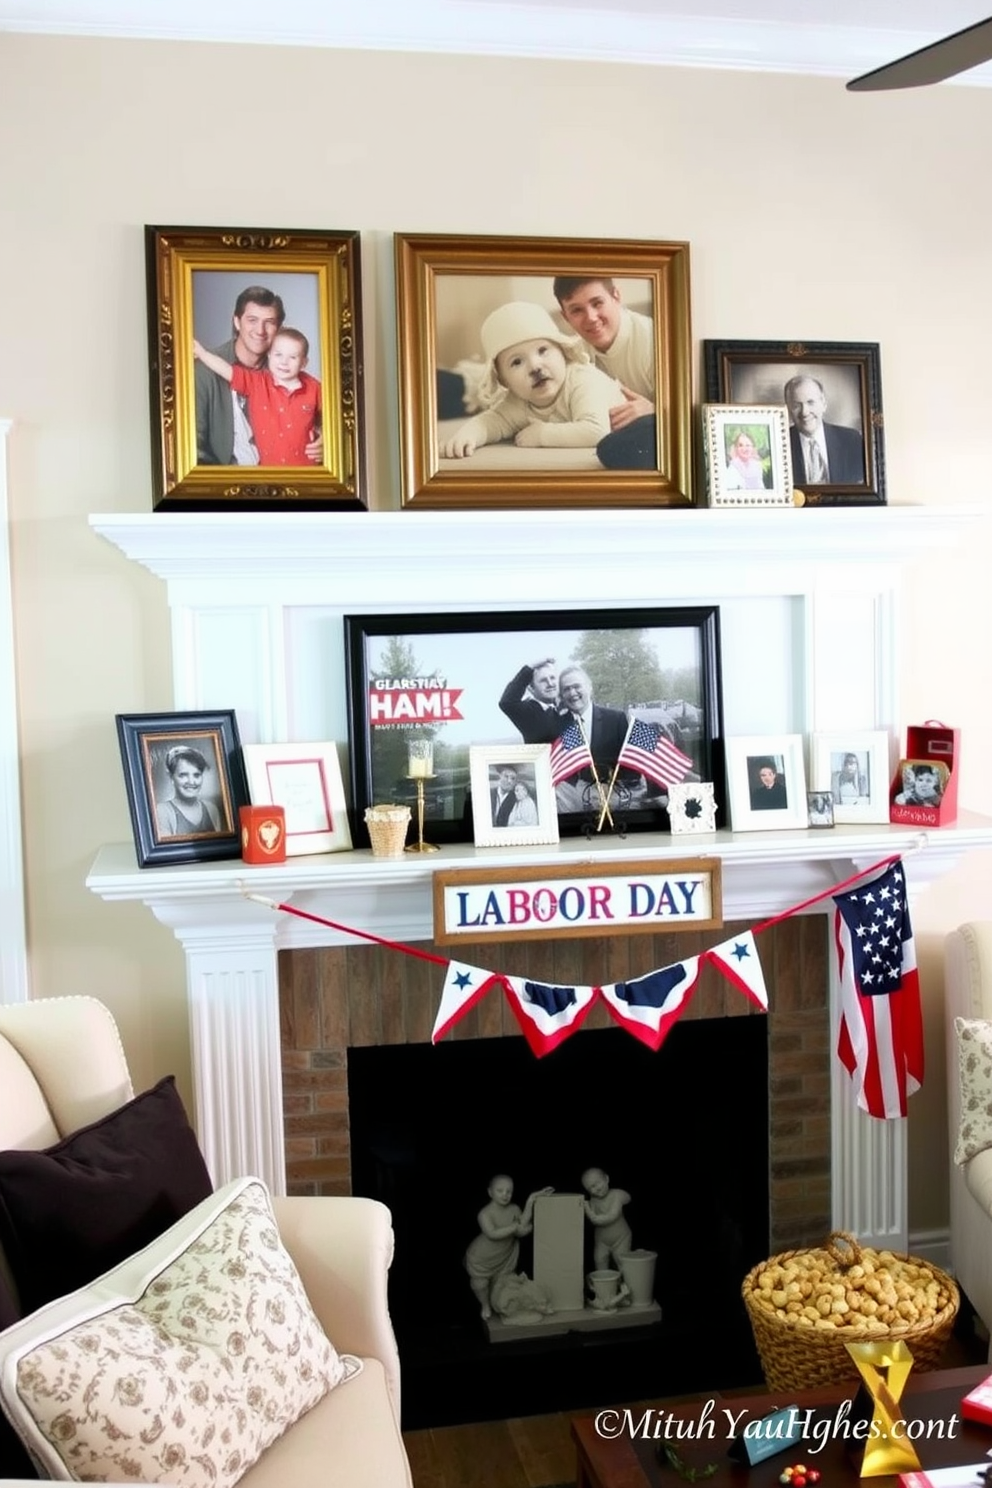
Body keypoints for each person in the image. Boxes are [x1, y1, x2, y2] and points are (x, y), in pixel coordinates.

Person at [438, 302, 623, 458]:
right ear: (503, 380)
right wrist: (466, 436)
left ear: (563, 352)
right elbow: (490, 422)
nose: (535, 367)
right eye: (516, 362)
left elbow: (596, 431)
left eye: (543, 350)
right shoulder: (517, 400)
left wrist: (542, 434)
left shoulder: (583, 380)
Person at [194, 284, 322, 466]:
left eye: (269, 322)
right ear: (237, 322)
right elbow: (194, 449)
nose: (260, 331)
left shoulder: (285, 371)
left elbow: (329, 414)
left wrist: (327, 438)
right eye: (252, 320)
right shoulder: (205, 371)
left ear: (279, 328)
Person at [553, 276, 657, 470]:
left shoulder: (654, 339)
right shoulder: (572, 352)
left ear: (616, 296)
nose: (591, 317)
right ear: (565, 316)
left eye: (597, 303)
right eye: (576, 310)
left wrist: (656, 411)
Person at [464, 1175, 553, 1320]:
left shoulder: (514, 1208)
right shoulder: (485, 1213)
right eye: (500, 1191)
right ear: (490, 1192)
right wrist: (516, 1227)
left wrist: (531, 1199)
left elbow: (522, 1223)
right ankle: (485, 1305)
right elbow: (492, 1233)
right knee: (480, 1284)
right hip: (482, 1257)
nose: (505, 1195)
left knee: (506, 1286)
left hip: (505, 1256)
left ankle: (504, 1305)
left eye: (509, 1191)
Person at [553, 665, 641, 813]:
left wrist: (612, 790)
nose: (572, 693)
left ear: (589, 687)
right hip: (574, 807)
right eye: (566, 689)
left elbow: (632, 768)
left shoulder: (615, 719)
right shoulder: (558, 725)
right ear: (561, 695)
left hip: (614, 802)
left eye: (576, 686)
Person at [784, 374, 865, 486]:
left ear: (824, 404)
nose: (804, 412)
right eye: (796, 405)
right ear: (788, 409)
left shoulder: (851, 440)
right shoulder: (779, 443)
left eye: (810, 402)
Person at [155, 745, 222, 838]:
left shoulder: (211, 809)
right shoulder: (162, 811)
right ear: (171, 777)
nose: (191, 782)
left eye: (196, 775)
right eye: (183, 775)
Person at [498, 658, 567, 744]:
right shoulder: (529, 711)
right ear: (531, 688)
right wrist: (530, 667)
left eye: (552, 678)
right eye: (543, 681)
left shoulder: (564, 707)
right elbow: (507, 702)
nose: (550, 684)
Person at [581, 1167, 632, 1272]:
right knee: (599, 1259)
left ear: (607, 1179)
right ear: (588, 1191)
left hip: (621, 1238)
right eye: (592, 1187)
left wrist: (588, 1210)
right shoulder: (593, 1201)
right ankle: (603, 1285)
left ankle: (625, 1285)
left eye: (598, 1182)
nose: (598, 1188)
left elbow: (610, 1217)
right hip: (602, 1241)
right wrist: (588, 1208)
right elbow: (593, 1221)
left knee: (621, 1260)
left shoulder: (616, 1194)